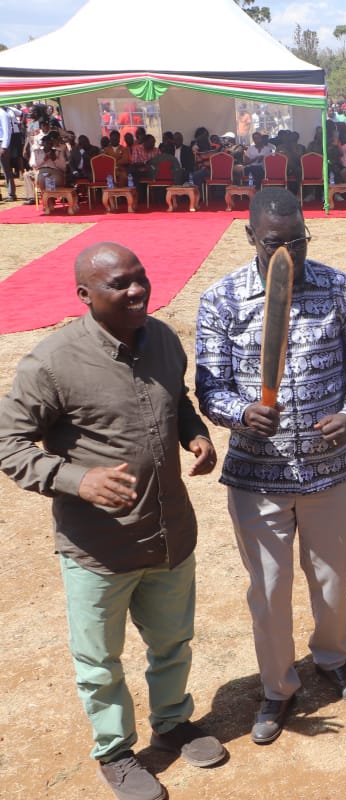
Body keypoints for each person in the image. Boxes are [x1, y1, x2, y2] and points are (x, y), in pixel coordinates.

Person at [0, 243, 226, 800]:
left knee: (173, 641)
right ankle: (116, 751)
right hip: (98, 547)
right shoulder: (53, 362)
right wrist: (78, 480)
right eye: (121, 284)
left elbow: (178, 401)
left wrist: (192, 434)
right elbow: (7, 442)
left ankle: (172, 722)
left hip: (170, 531)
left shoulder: (166, 340)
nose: (137, 291)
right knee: (100, 661)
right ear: (85, 296)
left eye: (141, 278)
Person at [194, 188, 346, 745]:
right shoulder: (222, 299)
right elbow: (210, 385)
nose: (289, 254)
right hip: (259, 475)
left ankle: (332, 657)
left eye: (298, 241)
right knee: (269, 589)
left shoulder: (338, 287)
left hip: (331, 470)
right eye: (276, 243)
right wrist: (239, 412)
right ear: (250, 236)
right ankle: (277, 686)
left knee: (332, 580)